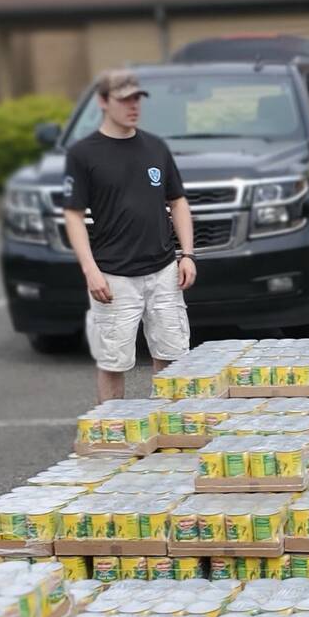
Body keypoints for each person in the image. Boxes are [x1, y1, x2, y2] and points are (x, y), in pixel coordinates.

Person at [62, 67, 197, 406]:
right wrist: (90, 270)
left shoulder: (155, 147)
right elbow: (73, 215)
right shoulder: (83, 154)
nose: (133, 106)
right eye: (124, 99)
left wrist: (187, 255)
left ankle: (165, 426)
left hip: (164, 270)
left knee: (171, 356)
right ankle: (112, 428)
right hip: (114, 275)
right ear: (103, 102)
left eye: (137, 98)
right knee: (113, 361)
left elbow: (178, 201)